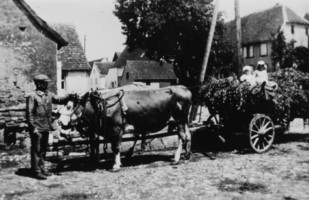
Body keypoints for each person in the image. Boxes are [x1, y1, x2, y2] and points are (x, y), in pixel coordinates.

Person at [26, 74, 70, 180]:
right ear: (39, 84)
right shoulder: (32, 96)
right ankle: (36, 171)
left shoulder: (49, 94)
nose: (47, 84)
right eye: (45, 82)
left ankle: (42, 168)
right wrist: (33, 128)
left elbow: (59, 100)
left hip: (46, 126)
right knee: (36, 150)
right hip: (37, 127)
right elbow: (29, 113)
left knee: (43, 149)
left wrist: (70, 96)